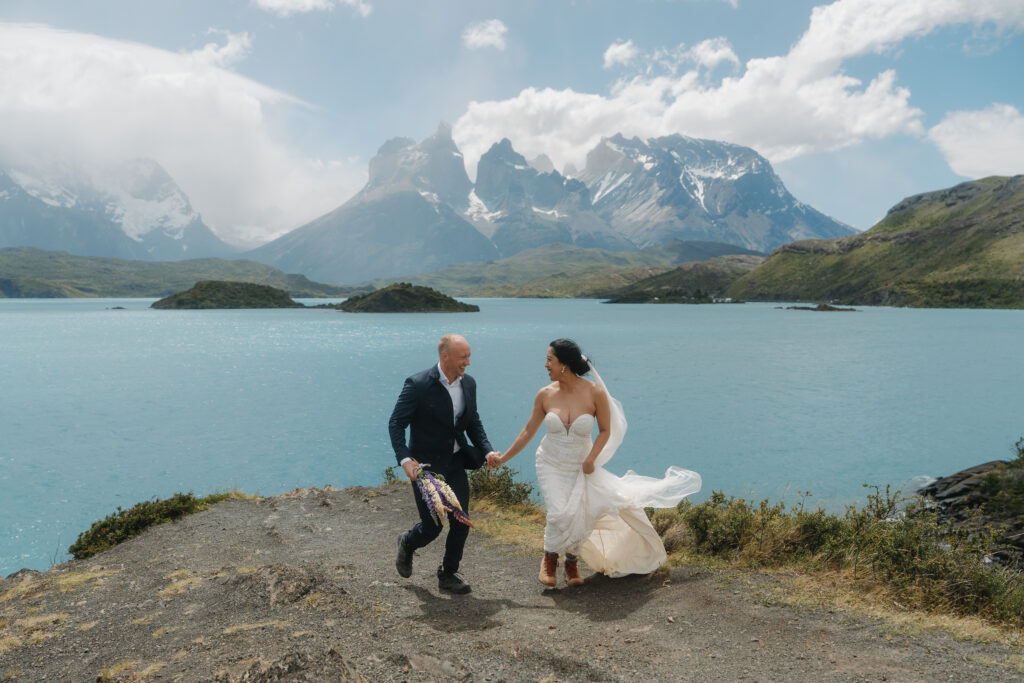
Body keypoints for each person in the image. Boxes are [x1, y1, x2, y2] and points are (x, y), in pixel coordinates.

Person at [488, 339, 701, 588]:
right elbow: (527, 431)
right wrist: (503, 459)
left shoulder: (594, 392)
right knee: (559, 512)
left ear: (564, 365)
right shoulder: (545, 394)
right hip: (550, 463)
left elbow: (605, 430)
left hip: (582, 465)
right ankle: (549, 560)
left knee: (584, 513)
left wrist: (591, 459)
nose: (546, 365)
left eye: (550, 359)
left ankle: (571, 561)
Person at [389, 333, 498, 594]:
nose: (468, 362)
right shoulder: (417, 384)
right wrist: (405, 460)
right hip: (425, 468)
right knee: (432, 527)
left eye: (469, 356)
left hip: (455, 463)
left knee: (461, 521)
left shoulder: (468, 384)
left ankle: (447, 574)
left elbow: (473, 421)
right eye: (463, 357)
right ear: (444, 356)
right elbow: (396, 423)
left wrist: (487, 452)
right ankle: (408, 542)